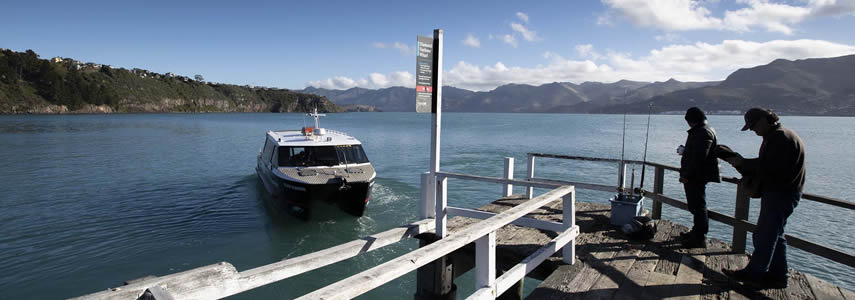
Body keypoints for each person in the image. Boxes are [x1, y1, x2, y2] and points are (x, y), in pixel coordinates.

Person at [723, 107, 806, 289]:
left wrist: (742, 163)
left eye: (753, 126)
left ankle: (754, 273)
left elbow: (769, 168)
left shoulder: (779, 138)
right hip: (784, 192)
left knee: (765, 234)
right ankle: (778, 276)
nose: (753, 131)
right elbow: (769, 166)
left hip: (780, 193)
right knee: (776, 234)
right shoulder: (781, 135)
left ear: (763, 120)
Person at [678, 107, 721, 248]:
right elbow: (697, 153)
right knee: (695, 205)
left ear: (692, 120)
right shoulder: (704, 131)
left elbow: (699, 157)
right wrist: (685, 151)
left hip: (696, 176)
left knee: (698, 206)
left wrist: (686, 175)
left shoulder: (702, 132)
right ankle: (696, 232)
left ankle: (699, 237)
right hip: (696, 175)